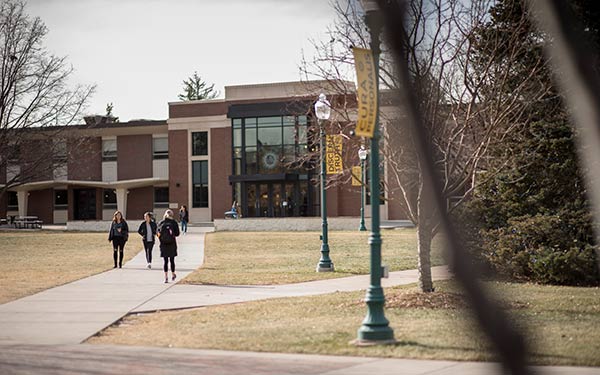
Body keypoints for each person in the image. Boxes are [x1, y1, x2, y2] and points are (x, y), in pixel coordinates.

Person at [158, 209, 180, 283]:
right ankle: (173, 274)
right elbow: (177, 233)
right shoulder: (174, 223)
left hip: (163, 244)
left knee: (165, 261)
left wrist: (162, 238)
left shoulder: (161, 223)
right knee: (172, 260)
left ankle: (166, 277)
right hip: (172, 244)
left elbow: (157, 233)